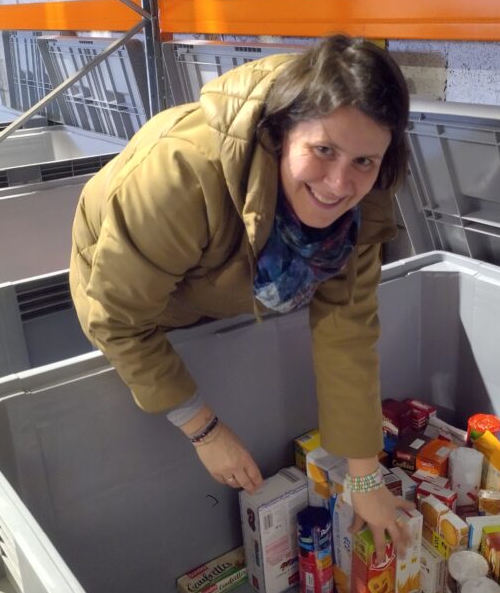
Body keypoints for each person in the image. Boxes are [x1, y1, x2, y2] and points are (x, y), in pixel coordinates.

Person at [69, 34, 413, 559]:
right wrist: (203, 429)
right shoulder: (180, 175)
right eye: (323, 150)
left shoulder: (366, 201)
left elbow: (348, 330)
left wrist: (365, 478)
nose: (339, 183)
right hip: (128, 282)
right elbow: (116, 317)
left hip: (224, 285)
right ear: (280, 131)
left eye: (364, 161)